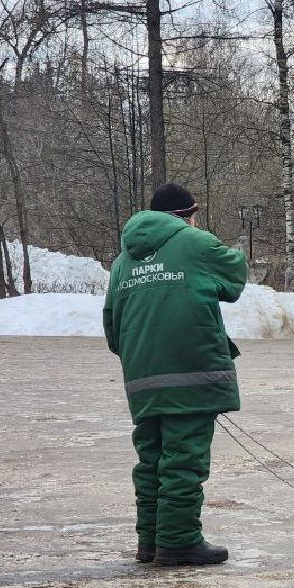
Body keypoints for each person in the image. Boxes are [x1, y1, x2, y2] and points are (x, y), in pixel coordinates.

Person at [102, 183, 248, 566]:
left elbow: (111, 328)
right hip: (190, 370)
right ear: (188, 215)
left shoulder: (121, 262)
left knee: (151, 460)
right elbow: (235, 275)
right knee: (183, 459)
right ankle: (179, 541)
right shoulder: (195, 243)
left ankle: (150, 541)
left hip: (141, 378)